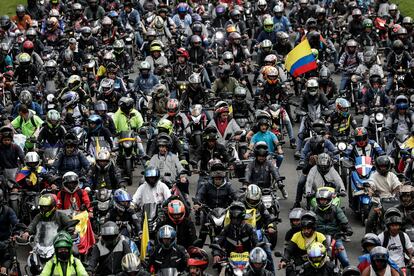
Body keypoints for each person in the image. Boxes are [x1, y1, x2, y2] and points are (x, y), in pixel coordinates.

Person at [312, 188, 352, 267]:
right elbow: (308, 220)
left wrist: (347, 228)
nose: (322, 201)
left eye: (324, 200)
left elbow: (343, 220)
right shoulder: (314, 210)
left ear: (329, 200)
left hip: (335, 237)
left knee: (345, 261)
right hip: (318, 238)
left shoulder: (336, 209)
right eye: (320, 200)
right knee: (308, 258)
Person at [278, 211, 327, 276]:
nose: (306, 231)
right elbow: (288, 250)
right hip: (299, 264)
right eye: (304, 229)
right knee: (289, 271)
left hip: (317, 263)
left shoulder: (320, 237)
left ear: (313, 227)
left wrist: (328, 257)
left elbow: (326, 252)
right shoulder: (296, 236)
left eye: (308, 228)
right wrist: (284, 260)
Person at [365, 155, 403, 233]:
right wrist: (369, 187)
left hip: (392, 201)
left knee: (403, 216)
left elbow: (397, 184)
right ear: (377, 166)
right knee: (370, 221)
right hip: (378, 201)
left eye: (385, 166)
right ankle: (367, 236)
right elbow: (371, 183)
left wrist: (400, 188)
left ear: (388, 166)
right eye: (381, 166)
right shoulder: (374, 175)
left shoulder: (392, 175)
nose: (383, 168)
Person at [0, 189, 18, 275]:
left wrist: (17, 233)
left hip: (5, 244)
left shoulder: (8, 211)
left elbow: (16, 223)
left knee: (10, 263)